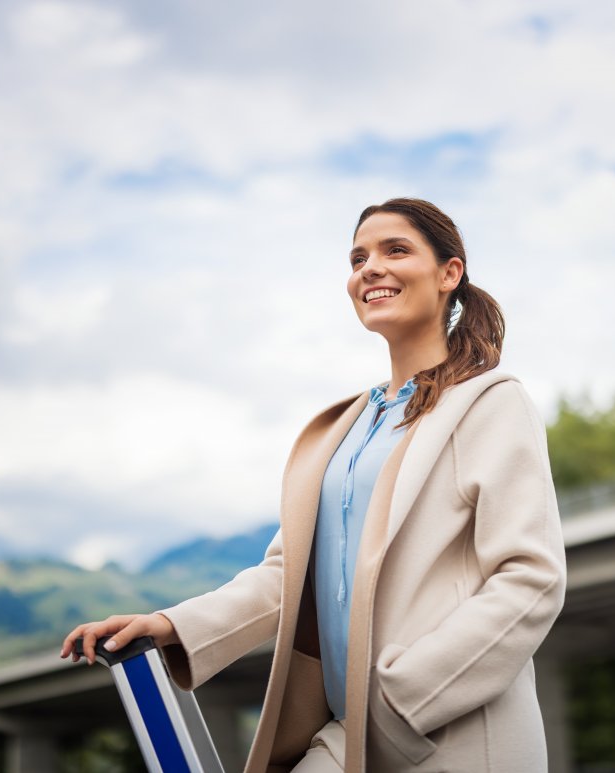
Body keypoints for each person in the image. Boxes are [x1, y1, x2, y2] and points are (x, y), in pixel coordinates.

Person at [62, 197, 567, 772]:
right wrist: (172, 625)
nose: (369, 268)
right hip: (347, 732)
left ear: (450, 273)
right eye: (358, 258)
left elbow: (531, 578)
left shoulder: (491, 404)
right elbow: (287, 575)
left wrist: (402, 698)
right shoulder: (347, 427)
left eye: (395, 250)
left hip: (449, 735)